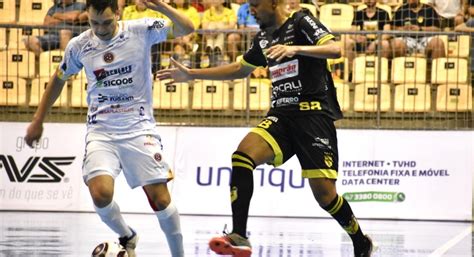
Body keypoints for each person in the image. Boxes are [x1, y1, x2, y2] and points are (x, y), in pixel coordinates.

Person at [156, 0, 375, 256]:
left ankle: (360, 239)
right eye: (250, 7)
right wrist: (193, 75)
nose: (252, 11)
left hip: (312, 116)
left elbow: (335, 49)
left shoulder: (301, 21)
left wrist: (296, 49)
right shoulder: (262, 38)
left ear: (274, 3)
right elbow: (240, 68)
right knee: (242, 156)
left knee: (325, 196)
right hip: (281, 116)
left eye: (257, 5)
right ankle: (239, 236)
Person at [24, 1, 194, 257]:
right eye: (94, 23)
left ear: (118, 14)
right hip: (101, 131)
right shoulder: (80, 45)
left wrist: (159, 5)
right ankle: (127, 235)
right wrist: (38, 120)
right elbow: (58, 79)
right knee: (100, 194)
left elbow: (187, 28)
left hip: (139, 128)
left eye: (106, 22)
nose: (100, 29)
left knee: (160, 200)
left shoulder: (141, 29)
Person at [24, 0, 89, 56]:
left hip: (70, 35)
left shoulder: (80, 5)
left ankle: (64, 66)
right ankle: (47, 62)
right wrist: (66, 18)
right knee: (29, 41)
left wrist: (56, 15)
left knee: (64, 32)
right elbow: (46, 23)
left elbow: (73, 17)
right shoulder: (54, 8)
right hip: (53, 36)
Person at [344, 0, 391, 71]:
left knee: (385, 44)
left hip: (377, 43)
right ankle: (351, 72)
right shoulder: (359, 13)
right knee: (349, 42)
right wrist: (357, 38)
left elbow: (387, 33)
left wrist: (375, 42)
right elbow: (352, 31)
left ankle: (381, 72)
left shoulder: (383, 13)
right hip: (363, 42)